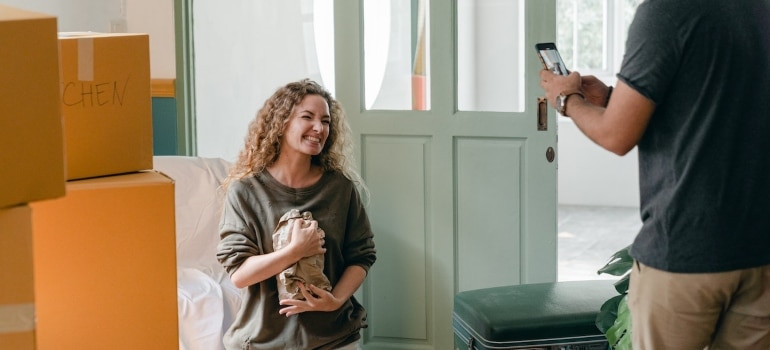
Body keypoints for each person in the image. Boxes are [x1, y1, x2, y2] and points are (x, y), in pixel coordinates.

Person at [538, 1, 770, 349]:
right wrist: (615, 99)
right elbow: (719, 110)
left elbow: (617, 136)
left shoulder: (666, 11)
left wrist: (566, 99)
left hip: (686, 251)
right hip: (760, 252)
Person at [217, 79, 376, 350]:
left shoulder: (340, 188)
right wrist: (294, 251)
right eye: (308, 117)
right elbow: (240, 274)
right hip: (266, 341)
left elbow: (362, 255)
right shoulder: (245, 192)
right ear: (282, 123)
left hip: (334, 338)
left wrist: (335, 301)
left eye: (325, 121)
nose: (319, 128)